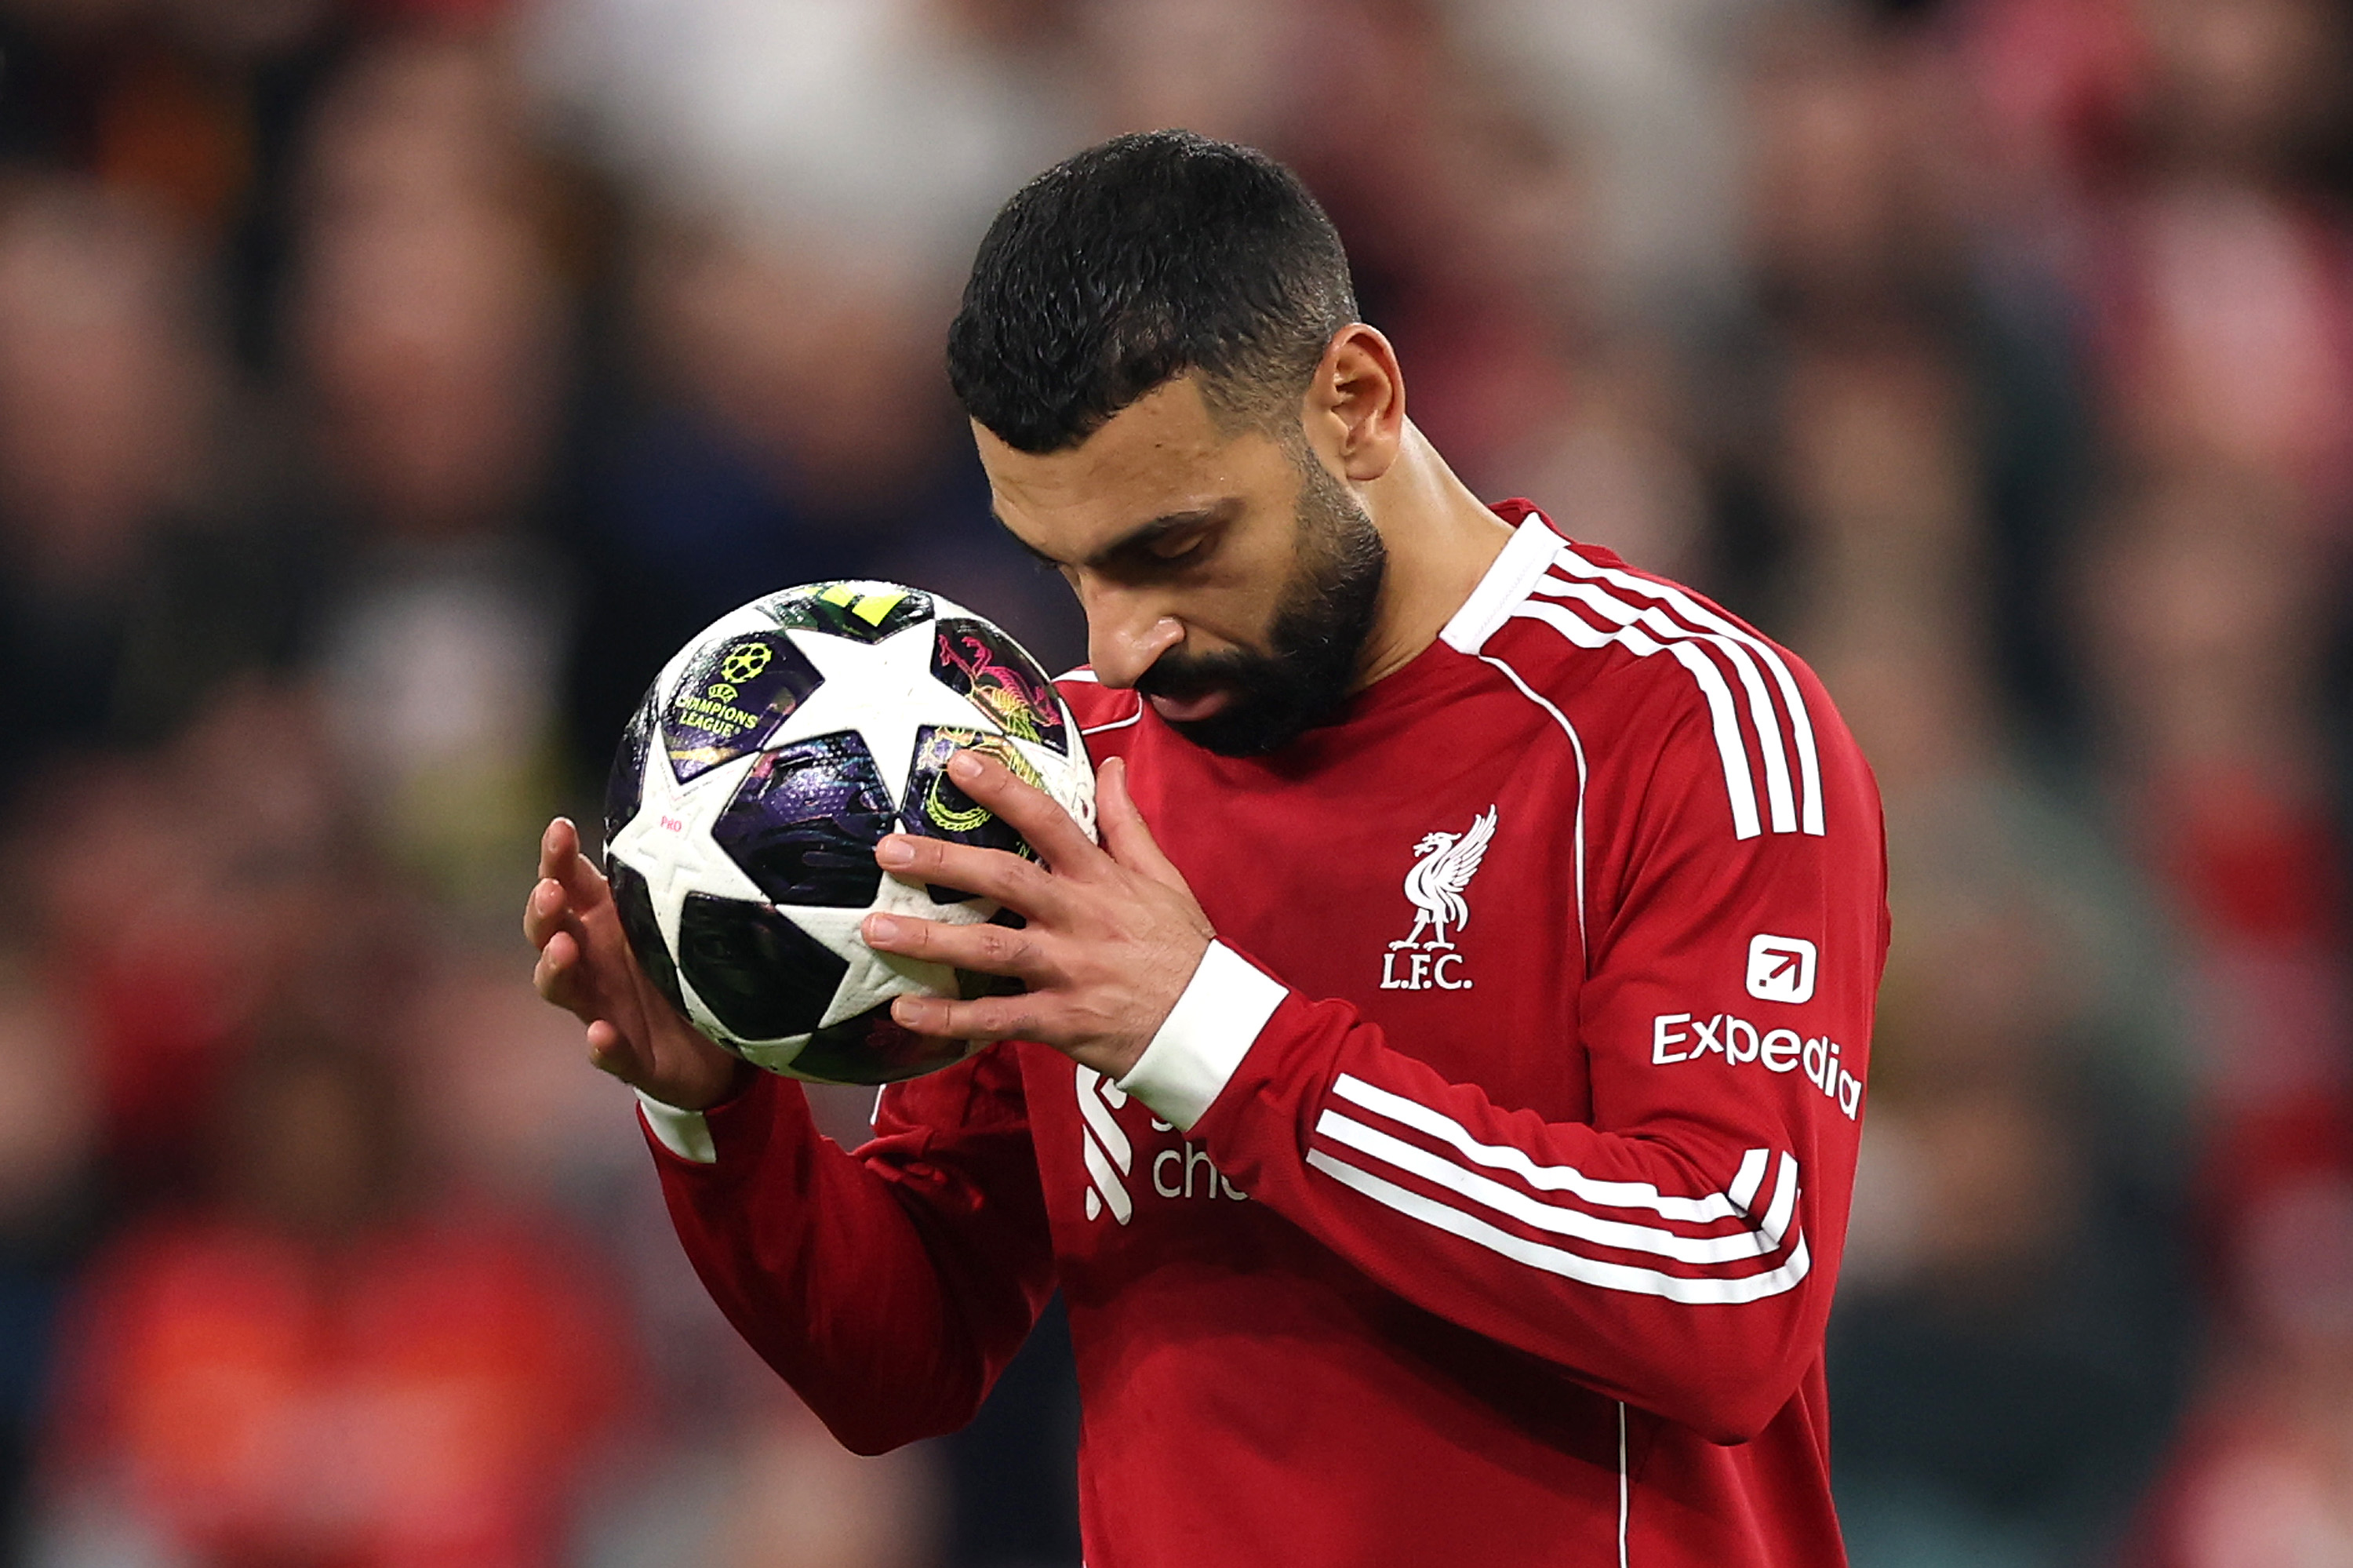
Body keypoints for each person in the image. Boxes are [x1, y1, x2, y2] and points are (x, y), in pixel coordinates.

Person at [526, 130, 1888, 1568]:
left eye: (1171, 549)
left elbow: (1728, 1293)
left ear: (1353, 402)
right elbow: (906, 1362)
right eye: (1070, 568)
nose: (1118, 645)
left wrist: (1205, 1032)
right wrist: (718, 1121)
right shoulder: (1066, 778)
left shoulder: (1690, 724)